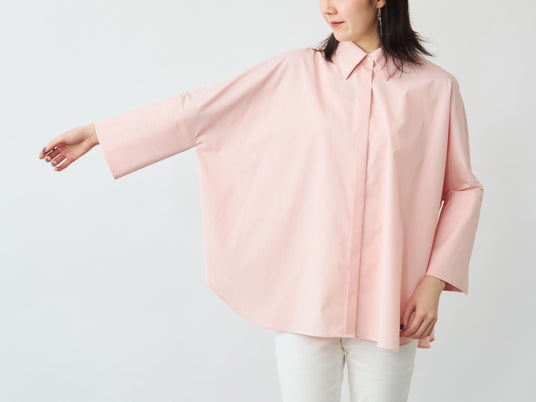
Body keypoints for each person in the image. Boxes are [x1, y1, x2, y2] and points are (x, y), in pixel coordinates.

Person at [38, 1, 484, 401]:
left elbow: (462, 189)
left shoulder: (435, 88)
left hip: (392, 302)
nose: (327, 8)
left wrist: (433, 283)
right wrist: (100, 133)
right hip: (306, 297)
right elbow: (201, 110)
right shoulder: (296, 72)